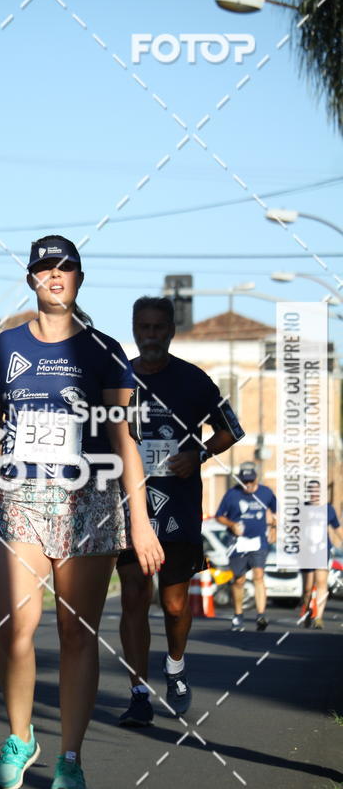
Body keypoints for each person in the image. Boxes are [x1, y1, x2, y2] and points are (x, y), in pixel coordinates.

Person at [0, 234, 163, 789]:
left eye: (64, 268)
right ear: (31, 279)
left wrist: (140, 522)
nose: (54, 276)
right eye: (44, 268)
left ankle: (70, 756)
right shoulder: (5, 347)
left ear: (78, 278)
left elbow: (125, 442)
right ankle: (20, 738)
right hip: (18, 496)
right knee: (16, 630)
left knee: (77, 632)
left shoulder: (105, 350)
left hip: (90, 502)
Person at [117, 297, 243, 727]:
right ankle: (137, 693)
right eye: (143, 327)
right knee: (134, 594)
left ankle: (175, 666)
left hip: (179, 505)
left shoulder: (194, 380)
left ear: (170, 330)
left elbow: (231, 429)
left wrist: (200, 454)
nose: (150, 335)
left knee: (173, 605)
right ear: (134, 329)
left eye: (158, 328)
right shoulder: (119, 377)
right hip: (129, 505)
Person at [215, 465, 277, 632]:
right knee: (239, 580)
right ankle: (238, 615)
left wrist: (273, 529)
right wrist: (231, 524)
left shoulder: (266, 493)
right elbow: (219, 516)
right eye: (244, 482)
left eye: (251, 481)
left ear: (256, 479)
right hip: (238, 542)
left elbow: (275, 512)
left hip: (258, 542)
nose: (248, 484)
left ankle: (261, 615)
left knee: (258, 575)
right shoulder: (232, 494)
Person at [300, 480, 343, 629]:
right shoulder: (302, 508)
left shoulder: (328, 509)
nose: (314, 494)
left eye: (317, 491)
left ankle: (318, 617)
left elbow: (337, 529)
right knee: (307, 588)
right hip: (306, 552)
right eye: (311, 490)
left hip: (322, 550)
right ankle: (307, 612)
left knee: (321, 583)